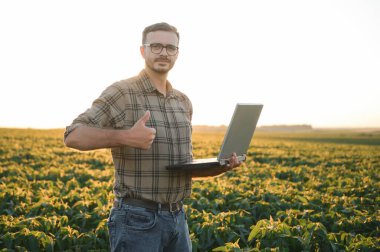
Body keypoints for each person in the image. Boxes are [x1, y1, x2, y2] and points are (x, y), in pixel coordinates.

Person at [64, 22, 241, 252]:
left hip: (178, 219)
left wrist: (222, 166)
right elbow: (73, 135)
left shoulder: (182, 102)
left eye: (170, 48)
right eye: (156, 46)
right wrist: (127, 137)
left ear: (177, 53)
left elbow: (183, 169)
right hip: (137, 220)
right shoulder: (123, 92)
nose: (163, 53)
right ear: (142, 51)